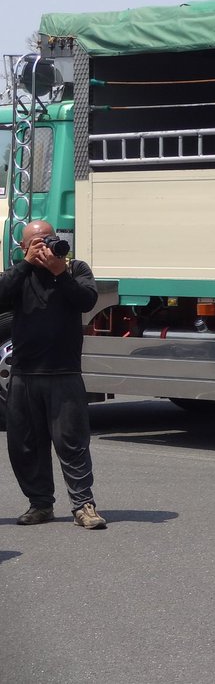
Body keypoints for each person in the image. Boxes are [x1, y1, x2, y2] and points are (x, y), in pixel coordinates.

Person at [0, 220, 103, 527]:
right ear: (23, 247)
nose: (46, 246)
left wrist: (60, 272)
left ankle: (84, 505)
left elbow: (87, 300)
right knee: (25, 445)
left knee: (72, 443)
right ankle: (40, 504)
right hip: (24, 375)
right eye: (37, 242)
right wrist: (26, 265)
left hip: (64, 372)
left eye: (50, 239)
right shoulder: (18, 275)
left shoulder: (75, 269)